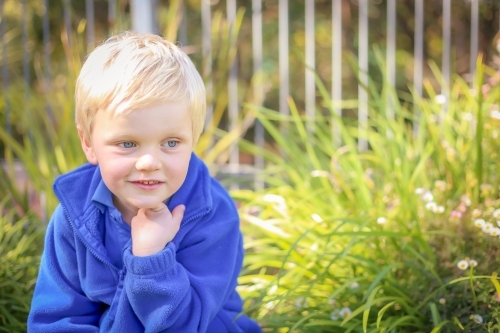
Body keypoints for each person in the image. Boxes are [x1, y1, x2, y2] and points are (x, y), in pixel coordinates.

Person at [27, 31, 261, 333]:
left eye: (172, 142)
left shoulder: (211, 215)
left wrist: (151, 259)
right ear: (88, 143)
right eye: (127, 144)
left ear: (193, 139)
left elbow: (188, 325)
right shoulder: (74, 218)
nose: (149, 162)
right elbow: (57, 320)